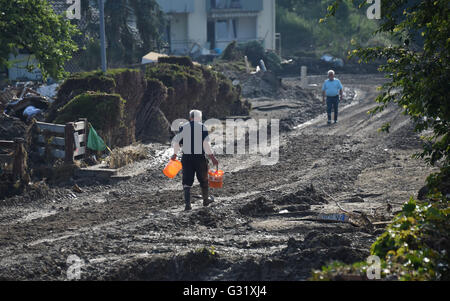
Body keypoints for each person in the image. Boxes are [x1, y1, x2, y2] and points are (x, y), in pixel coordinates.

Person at [171, 110, 219, 211]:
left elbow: (177, 143)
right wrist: (213, 158)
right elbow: (205, 145)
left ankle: (187, 205)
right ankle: (205, 200)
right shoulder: (202, 127)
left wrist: (175, 154)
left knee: (187, 181)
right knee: (204, 179)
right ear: (199, 117)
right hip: (199, 158)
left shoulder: (183, 127)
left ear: (190, 117)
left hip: (187, 158)